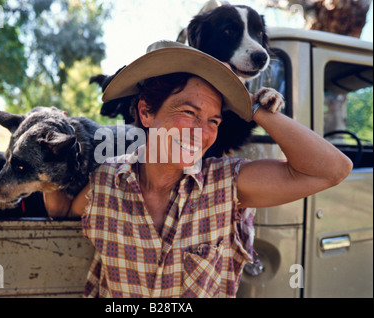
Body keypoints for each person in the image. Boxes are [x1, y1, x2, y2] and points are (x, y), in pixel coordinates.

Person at [44, 41, 352, 298]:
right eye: (189, 113)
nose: (201, 132)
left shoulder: (226, 184)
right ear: (146, 113)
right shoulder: (105, 182)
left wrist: (255, 108)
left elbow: (332, 170)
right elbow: (63, 212)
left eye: (213, 121)